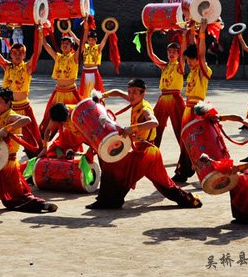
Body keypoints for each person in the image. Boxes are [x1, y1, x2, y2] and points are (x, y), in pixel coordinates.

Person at [85, 79, 202, 210]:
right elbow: (117, 92)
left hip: (146, 153)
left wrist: (132, 128)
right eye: (129, 92)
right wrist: (102, 95)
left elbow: (154, 122)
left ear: (143, 93)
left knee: (115, 168)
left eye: (134, 92)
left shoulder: (145, 107)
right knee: (166, 184)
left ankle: (109, 201)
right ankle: (190, 200)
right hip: (147, 152)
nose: (130, 95)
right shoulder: (134, 100)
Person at [0, 27, 43, 157]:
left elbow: (37, 51)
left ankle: (37, 161)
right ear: (11, 54)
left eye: (20, 53)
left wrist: (39, 34)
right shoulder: (7, 67)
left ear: (24, 55)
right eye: (15, 53)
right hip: (8, 109)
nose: (17, 56)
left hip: (24, 106)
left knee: (33, 139)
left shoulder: (27, 67)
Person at [173, 21, 212, 183]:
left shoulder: (204, 70)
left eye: (191, 60)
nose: (189, 63)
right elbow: (191, 49)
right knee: (186, 141)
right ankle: (184, 170)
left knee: (196, 141)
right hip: (188, 108)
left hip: (198, 110)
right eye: (188, 60)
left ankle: (200, 169)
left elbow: (201, 54)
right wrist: (188, 33)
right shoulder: (193, 71)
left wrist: (202, 33)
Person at [39, 22, 88, 132]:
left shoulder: (74, 57)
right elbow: (46, 46)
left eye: (67, 43)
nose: (64, 45)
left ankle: (72, 141)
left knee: (74, 118)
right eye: (63, 43)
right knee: (50, 116)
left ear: (71, 47)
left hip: (71, 92)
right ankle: (45, 139)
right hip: (58, 91)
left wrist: (85, 29)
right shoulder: (57, 57)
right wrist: (41, 31)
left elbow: (83, 44)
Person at [146, 30, 185, 154]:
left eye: (174, 52)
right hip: (163, 98)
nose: (172, 54)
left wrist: (184, 36)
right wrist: (148, 36)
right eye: (169, 52)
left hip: (175, 98)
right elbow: (151, 55)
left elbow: (184, 53)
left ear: (179, 54)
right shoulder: (165, 66)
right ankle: (152, 152)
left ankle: (187, 155)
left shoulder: (180, 66)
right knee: (155, 126)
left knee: (180, 127)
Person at [79, 28, 110, 99]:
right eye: (89, 40)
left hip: (94, 71)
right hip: (85, 71)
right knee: (84, 92)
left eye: (92, 40)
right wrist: (68, 31)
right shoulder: (85, 46)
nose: (90, 42)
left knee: (95, 91)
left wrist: (107, 33)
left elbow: (104, 41)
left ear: (96, 40)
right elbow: (76, 39)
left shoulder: (98, 48)